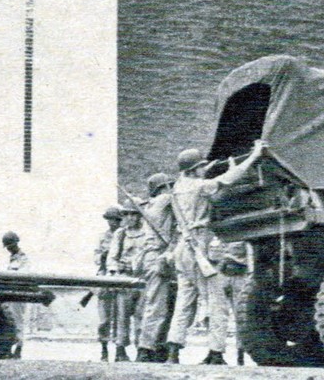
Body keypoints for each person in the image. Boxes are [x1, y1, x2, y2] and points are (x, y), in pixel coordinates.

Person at [165, 139, 265, 365]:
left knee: (184, 301)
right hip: (199, 246)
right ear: (193, 170)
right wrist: (254, 156)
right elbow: (228, 180)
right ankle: (216, 353)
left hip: (183, 247)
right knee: (216, 300)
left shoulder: (177, 188)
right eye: (200, 166)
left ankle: (173, 351)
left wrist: (206, 170)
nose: (204, 169)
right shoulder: (201, 187)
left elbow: (196, 179)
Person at [135, 172, 177, 363]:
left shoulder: (149, 205)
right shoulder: (166, 199)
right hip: (158, 255)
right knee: (157, 305)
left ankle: (153, 347)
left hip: (150, 256)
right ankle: (146, 348)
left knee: (156, 303)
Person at [107, 204, 144, 362]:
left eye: (134, 214)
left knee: (143, 316)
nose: (130, 218)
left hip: (143, 279)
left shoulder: (147, 234)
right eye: (126, 215)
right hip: (125, 279)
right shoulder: (120, 235)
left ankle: (142, 350)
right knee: (122, 316)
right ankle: (120, 349)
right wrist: (114, 273)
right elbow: (112, 257)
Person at [209, 237, 253, 365]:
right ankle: (239, 355)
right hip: (238, 272)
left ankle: (216, 353)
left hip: (222, 272)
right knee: (239, 315)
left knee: (218, 314)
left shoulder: (219, 228)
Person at [95, 205, 123, 361]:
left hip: (119, 277)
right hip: (105, 277)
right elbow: (96, 256)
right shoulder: (103, 237)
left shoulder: (124, 235)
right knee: (104, 318)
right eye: (109, 220)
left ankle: (119, 350)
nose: (112, 223)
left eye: (115, 220)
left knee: (120, 316)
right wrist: (102, 257)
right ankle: (104, 349)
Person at [2, 231, 31, 358]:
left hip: (19, 294)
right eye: (7, 246)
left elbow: (23, 275)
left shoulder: (23, 258)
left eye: (10, 245)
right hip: (11, 294)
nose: (8, 248)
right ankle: (10, 348)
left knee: (18, 321)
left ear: (16, 243)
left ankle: (19, 349)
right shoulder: (13, 258)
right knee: (10, 321)